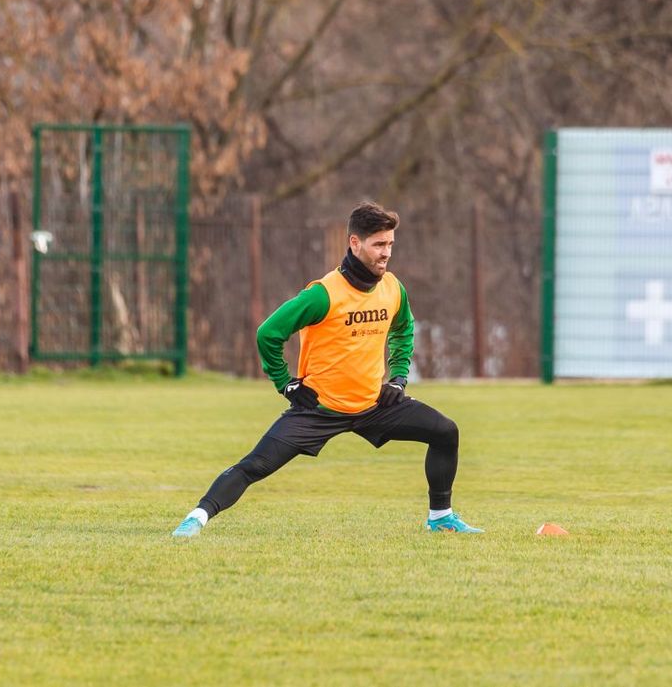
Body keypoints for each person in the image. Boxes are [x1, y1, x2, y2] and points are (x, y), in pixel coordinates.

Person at [171, 201, 482, 536]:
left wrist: (399, 377)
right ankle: (196, 519)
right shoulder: (323, 295)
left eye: (390, 243)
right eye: (379, 244)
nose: (387, 252)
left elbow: (404, 328)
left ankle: (440, 517)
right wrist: (285, 383)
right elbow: (268, 334)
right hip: (319, 409)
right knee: (256, 465)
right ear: (354, 243)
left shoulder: (392, 287)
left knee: (445, 431)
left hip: (373, 404)